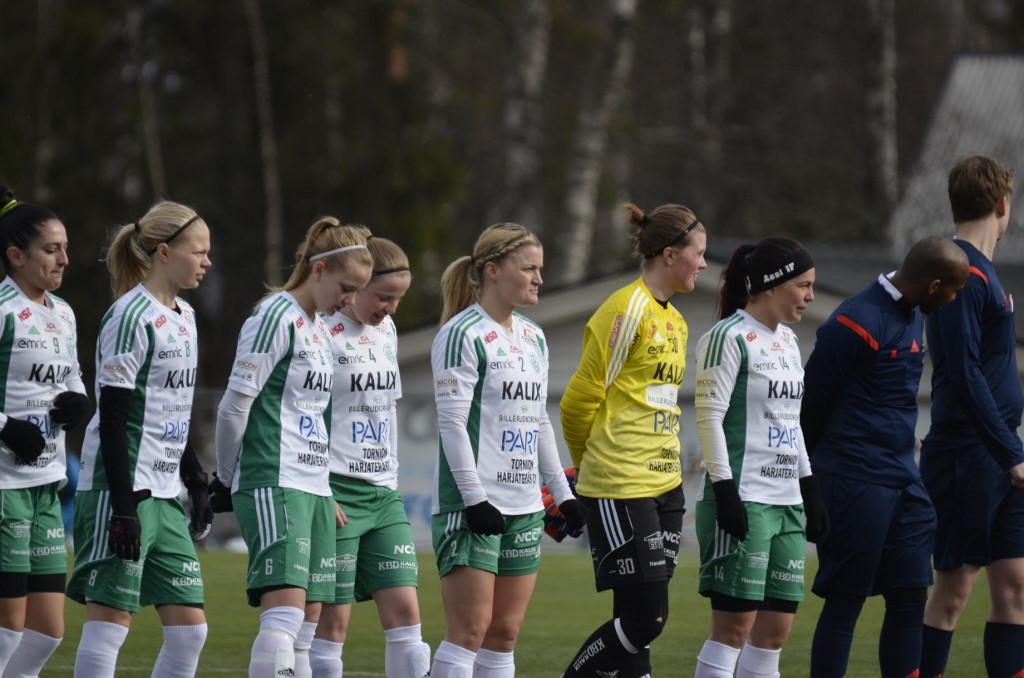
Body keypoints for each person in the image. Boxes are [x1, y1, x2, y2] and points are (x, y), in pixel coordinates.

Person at [210, 217, 372, 678]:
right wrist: (226, 477)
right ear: (318, 270)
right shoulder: (274, 317)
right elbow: (234, 405)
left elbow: (312, 415)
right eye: (346, 287)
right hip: (273, 477)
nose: (350, 300)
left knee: (308, 623)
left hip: (313, 487)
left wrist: (324, 487)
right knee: (284, 614)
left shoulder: (319, 328)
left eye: (358, 291)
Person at [801, 237, 969, 678]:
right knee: (846, 600)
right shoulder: (854, 321)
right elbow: (810, 408)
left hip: (904, 480)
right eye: (952, 291)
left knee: (911, 594)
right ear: (933, 286)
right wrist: (809, 486)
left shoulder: (913, 314)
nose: (953, 300)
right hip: (853, 478)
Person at [428, 222, 585, 678]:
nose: (539, 278)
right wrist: (475, 500)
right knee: (469, 631)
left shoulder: (534, 336)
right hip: (472, 506)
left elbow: (538, 421)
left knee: (504, 634)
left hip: (525, 506)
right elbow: (452, 424)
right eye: (529, 268)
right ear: (492, 270)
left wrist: (563, 494)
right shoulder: (461, 334)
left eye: (540, 268)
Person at [67, 200, 214, 677]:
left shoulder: (186, 316)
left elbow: (174, 406)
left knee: (190, 632)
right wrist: (124, 506)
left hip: (165, 494)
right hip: (122, 492)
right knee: (111, 624)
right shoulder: (129, 315)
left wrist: (195, 479)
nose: (207, 262)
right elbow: (113, 419)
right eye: (199, 252)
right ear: (164, 252)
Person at [560, 203, 706, 678]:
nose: (705, 264)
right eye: (699, 253)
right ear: (669, 255)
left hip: (666, 486)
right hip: (621, 483)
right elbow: (577, 403)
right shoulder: (625, 309)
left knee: (636, 619)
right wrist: (586, 467)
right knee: (648, 618)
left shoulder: (677, 320)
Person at [692, 237, 828, 678]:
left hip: (786, 503)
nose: (810, 296)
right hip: (744, 500)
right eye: (803, 285)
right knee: (732, 631)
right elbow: (709, 418)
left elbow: (790, 421)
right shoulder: (727, 337)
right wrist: (725, 491)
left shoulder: (788, 340)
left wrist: (810, 489)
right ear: (770, 285)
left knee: (774, 634)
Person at [918, 155, 1024, 678]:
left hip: (1001, 455)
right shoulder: (959, 271)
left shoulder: (985, 272)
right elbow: (963, 372)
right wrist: (1010, 454)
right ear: (1003, 205)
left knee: (1015, 588)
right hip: (970, 455)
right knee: (953, 594)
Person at [314, 230, 430, 677]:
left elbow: (382, 410)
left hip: (383, 494)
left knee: (408, 622)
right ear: (358, 283)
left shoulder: (387, 331)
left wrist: (389, 480)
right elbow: (303, 414)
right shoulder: (322, 331)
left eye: (399, 299)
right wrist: (319, 487)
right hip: (336, 491)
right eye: (384, 297)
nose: (392, 309)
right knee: (332, 625)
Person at [0, 187, 88, 677]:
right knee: (7, 629)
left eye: (65, 248)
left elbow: (71, 375)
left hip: (47, 485)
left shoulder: (63, 312)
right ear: (16, 256)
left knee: (47, 632)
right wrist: (5, 427)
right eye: (51, 249)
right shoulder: (3, 310)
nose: (64, 259)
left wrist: (78, 399)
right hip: (4, 486)